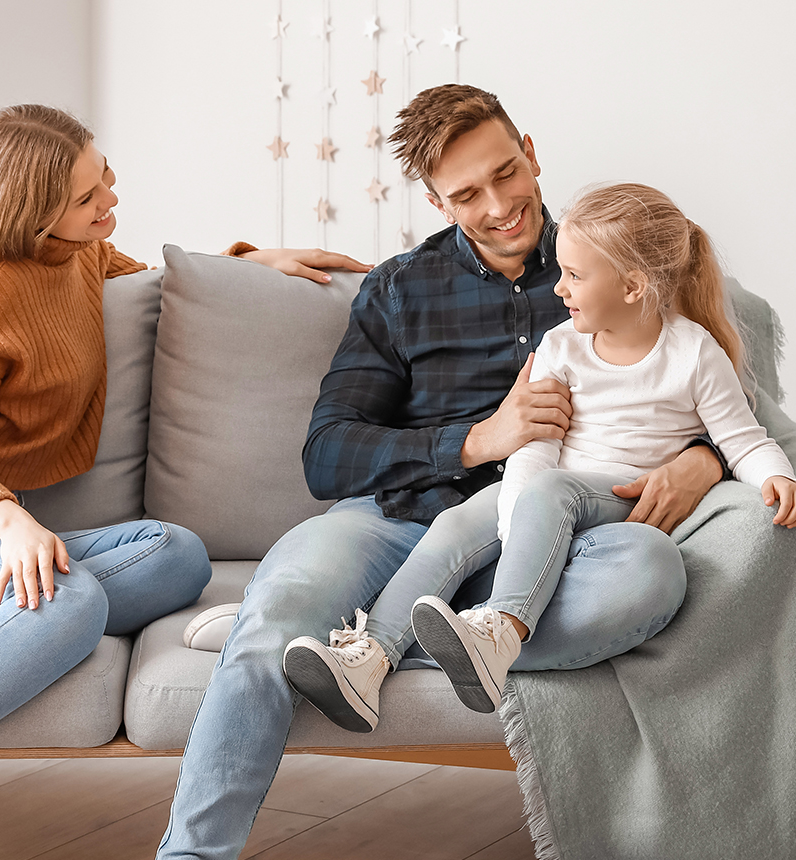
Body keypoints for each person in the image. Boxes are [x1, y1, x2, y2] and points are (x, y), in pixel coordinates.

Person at [0, 104, 368, 860]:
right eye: (86, 198)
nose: (108, 198)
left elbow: (144, 278)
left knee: (176, 554)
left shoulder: (77, 253)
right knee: (69, 600)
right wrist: (11, 521)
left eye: (103, 173)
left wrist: (247, 263)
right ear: (34, 216)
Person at [158, 85, 733, 859]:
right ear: (435, 200)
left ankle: (362, 637)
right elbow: (328, 453)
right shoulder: (400, 288)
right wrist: (475, 440)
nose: (499, 205)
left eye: (506, 173)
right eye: (466, 194)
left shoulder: (616, 259)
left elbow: (737, 405)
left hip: (549, 543)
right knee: (270, 628)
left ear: (530, 152)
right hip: (398, 522)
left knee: (652, 573)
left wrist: (703, 458)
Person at [283, 182, 796, 730]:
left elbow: (744, 438)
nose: (559, 288)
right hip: (546, 490)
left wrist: (776, 477)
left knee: (556, 494)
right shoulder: (561, 347)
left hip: (615, 498)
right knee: (455, 524)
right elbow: (536, 449)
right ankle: (369, 658)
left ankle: (502, 629)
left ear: (633, 285)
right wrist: (515, 521)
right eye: (561, 272)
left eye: (575, 276)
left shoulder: (694, 354)